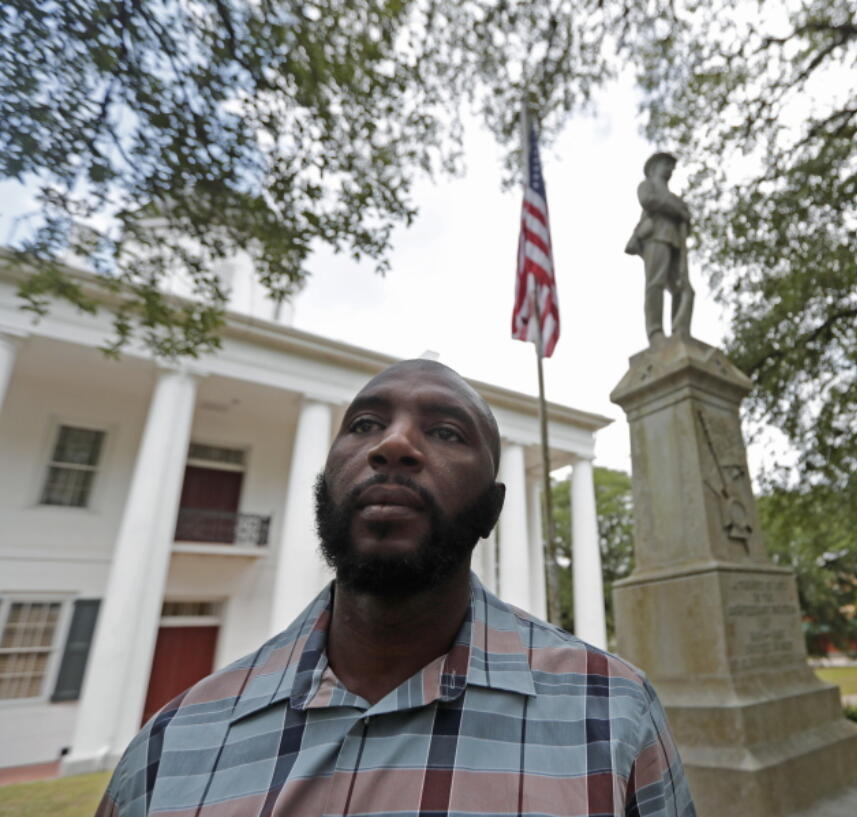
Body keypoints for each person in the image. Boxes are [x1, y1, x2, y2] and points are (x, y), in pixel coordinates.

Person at [95, 359, 695, 817]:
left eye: (446, 432)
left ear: (492, 510)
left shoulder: (614, 713)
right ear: (325, 481)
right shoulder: (171, 746)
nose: (394, 445)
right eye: (364, 424)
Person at [624, 152, 695, 345]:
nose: (670, 169)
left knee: (682, 287)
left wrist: (683, 214)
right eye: (666, 164)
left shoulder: (675, 198)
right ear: (654, 167)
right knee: (655, 282)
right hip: (655, 237)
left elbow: (687, 220)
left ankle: (679, 330)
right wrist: (677, 209)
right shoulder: (648, 186)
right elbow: (649, 201)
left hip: (675, 241)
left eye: (672, 166)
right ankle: (655, 330)